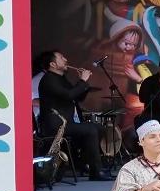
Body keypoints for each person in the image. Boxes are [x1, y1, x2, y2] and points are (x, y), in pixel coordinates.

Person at [36, 50, 111, 181]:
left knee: (99, 128)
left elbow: (77, 97)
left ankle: (84, 163)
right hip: (55, 125)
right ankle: (96, 171)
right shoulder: (49, 79)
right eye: (61, 57)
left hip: (66, 123)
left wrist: (83, 83)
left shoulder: (61, 79)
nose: (65, 59)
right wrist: (82, 81)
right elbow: (69, 95)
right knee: (91, 130)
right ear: (53, 64)